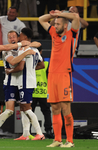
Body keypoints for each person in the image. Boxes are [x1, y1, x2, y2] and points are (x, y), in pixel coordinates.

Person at [39, 10, 80, 147]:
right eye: (54, 24)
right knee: (55, 108)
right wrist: (53, 15)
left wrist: (61, 13)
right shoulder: (53, 33)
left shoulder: (71, 34)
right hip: (52, 74)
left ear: (65, 25)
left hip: (64, 74)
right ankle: (57, 140)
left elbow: (75, 17)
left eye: (58, 24)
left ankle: (70, 141)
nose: (55, 26)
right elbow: (41, 19)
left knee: (65, 108)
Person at [0, 30, 39, 138]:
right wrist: (26, 52)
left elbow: (38, 44)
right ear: (7, 39)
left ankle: (26, 134)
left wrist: (28, 45)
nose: (12, 39)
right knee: (9, 110)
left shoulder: (21, 48)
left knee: (24, 109)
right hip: (10, 83)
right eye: (10, 37)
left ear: (18, 38)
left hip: (20, 83)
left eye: (14, 37)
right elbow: (13, 62)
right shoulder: (6, 50)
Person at [11, 28, 45, 141]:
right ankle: (25, 134)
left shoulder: (25, 49)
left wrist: (10, 71)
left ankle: (39, 133)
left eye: (20, 35)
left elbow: (19, 65)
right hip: (30, 80)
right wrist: (31, 69)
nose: (19, 37)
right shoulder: (35, 49)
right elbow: (42, 65)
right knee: (23, 107)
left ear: (25, 37)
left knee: (26, 108)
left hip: (25, 82)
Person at [32, 46, 53, 139]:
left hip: (40, 92)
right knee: (45, 112)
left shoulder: (47, 64)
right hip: (38, 92)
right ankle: (48, 130)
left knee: (46, 112)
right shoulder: (46, 64)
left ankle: (48, 130)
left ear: (40, 52)